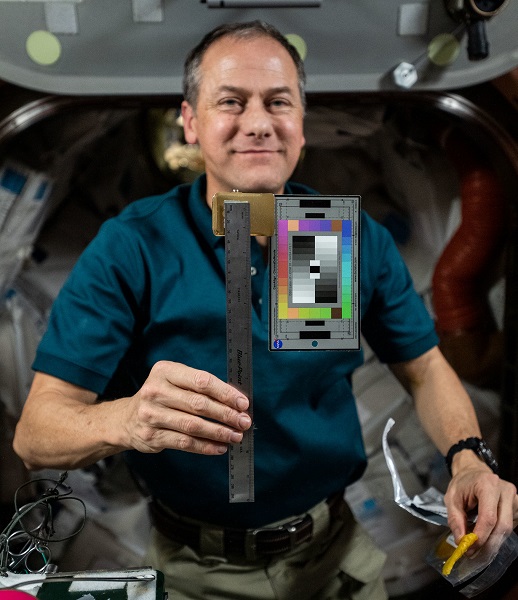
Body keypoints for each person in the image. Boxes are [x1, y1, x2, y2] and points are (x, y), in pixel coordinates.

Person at [13, 20, 517, 600]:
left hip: (337, 560)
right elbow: (35, 435)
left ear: (302, 125)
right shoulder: (133, 248)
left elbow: (425, 368)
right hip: (191, 573)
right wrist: (125, 420)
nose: (258, 122)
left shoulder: (328, 238)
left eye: (279, 102)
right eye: (231, 101)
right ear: (190, 121)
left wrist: (469, 458)